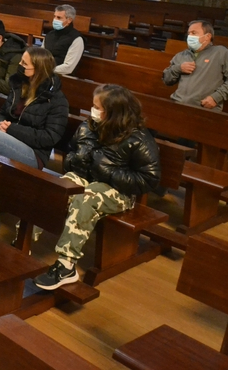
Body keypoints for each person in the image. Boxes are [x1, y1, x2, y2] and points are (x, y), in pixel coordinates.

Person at [33, 84, 160, 290]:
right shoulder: (88, 126)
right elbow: (70, 152)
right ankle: (23, 241)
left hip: (118, 191)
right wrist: (76, 161)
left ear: (113, 111)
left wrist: (109, 173)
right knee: (58, 188)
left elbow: (149, 179)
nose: (92, 111)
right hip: (87, 179)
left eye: (97, 107)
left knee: (86, 198)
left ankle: (66, 266)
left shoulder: (139, 138)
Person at [0, 47, 68, 169]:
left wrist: (12, 129)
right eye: (21, 61)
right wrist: (1, 126)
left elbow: (49, 137)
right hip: (9, 138)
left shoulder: (56, 100)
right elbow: (3, 112)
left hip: (34, 153)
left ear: (38, 70)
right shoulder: (19, 85)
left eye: (24, 64)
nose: (20, 65)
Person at [162, 20, 228, 111]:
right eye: (189, 33)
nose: (190, 36)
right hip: (177, 104)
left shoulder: (221, 52)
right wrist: (178, 68)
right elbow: (167, 80)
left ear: (207, 36)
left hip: (203, 108)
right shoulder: (181, 55)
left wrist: (216, 97)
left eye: (194, 33)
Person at [42, 4, 84, 75]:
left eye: (59, 17)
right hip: (44, 72)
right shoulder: (50, 35)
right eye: (54, 16)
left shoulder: (77, 39)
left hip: (62, 76)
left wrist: (46, 70)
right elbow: (40, 55)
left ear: (69, 20)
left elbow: (68, 67)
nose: (55, 20)